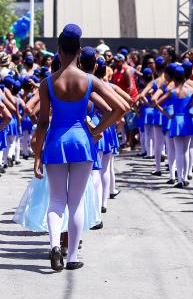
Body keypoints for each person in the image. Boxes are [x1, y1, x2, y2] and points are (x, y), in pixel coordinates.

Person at [32, 24, 126, 271]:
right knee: (76, 202)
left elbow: (42, 121)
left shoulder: (48, 83)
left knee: (56, 200)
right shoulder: (90, 80)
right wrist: (97, 130)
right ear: (79, 51)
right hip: (82, 142)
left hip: (55, 142)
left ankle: (54, 246)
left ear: (60, 51)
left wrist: (37, 155)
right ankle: (72, 257)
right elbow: (120, 108)